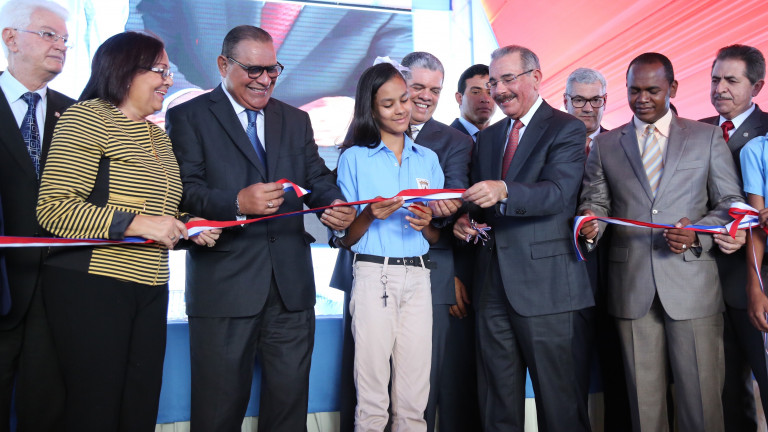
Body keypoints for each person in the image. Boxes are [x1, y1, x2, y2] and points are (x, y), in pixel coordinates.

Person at [165, 25, 354, 432]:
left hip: (291, 289)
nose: (265, 79)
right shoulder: (187, 116)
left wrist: (333, 204)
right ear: (223, 65)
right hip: (224, 288)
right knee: (217, 413)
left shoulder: (295, 119)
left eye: (272, 69)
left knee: (288, 413)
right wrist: (237, 203)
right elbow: (185, 191)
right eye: (253, 70)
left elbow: (316, 177)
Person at [35, 31, 220, 431]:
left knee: (140, 405)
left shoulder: (157, 135)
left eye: (169, 72)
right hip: (93, 285)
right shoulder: (87, 117)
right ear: (124, 70)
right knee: (94, 410)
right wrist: (137, 223)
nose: (169, 80)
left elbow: (161, 210)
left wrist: (189, 225)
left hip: (150, 287)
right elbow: (54, 209)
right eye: (160, 71)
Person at [578, 52, 744, 432]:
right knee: (644, 408)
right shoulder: (606, 145)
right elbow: (596, 202)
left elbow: (730, 204)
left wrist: (698, 231)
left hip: (693, 288)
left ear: (673, 88)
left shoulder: (705, 137)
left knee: (702, 405)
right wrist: (590, 223)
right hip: (631, 288)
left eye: (652, 90)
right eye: (634, 90)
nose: (642, 99)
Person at [453, 45, 593, 431]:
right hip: (491, 287)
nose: (499, 90)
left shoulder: (566, 128)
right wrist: (465, 219)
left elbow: (558, 194)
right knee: (497, 406)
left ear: (536, 77)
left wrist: (504, 190)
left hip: (549, 289)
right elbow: (480, 203)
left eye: (508, 79)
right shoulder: (488, 138)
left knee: (561, 407)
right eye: (493, 82)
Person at [336, 61, 443, 432]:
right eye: (388, 103)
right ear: (371, 108)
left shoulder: (428, 159)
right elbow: (346, 237)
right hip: (373, 273)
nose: (401, 109)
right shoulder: (353, 158)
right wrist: (369, 214)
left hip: (419, 276)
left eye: (404, 99)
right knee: (372, 399)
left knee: (415, 399)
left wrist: (429, 224)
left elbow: (434, 237)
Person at [0, 1, 73, 429]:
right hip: (3, 285)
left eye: (64, 39)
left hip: (58, 289)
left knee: (46, 413)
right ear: (10, 38)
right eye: (49, 35)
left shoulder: (76, 114)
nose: (60, 46)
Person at [704, 44, 768, 432]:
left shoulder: (766, 135)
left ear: (756, 86)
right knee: (724, 394)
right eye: (715, 79)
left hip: (759, 282)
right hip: (704, 284)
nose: (720, 88)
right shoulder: (693, 131)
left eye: (731, 80)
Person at [563, 67, 631, 430]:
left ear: (606, 101)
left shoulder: (622, 144)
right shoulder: (550, 147)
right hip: (567, 274)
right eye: (579, 100)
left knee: (620, 368)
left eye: (595, 100)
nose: (588, 108)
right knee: (569, 373)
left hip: (620, 273)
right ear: (565, 101)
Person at [451, 63, 495, 140]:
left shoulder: (505, 140)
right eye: (476, 92)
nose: (485, 99)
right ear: (459, 98)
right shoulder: (444, 141)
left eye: (490, 93)